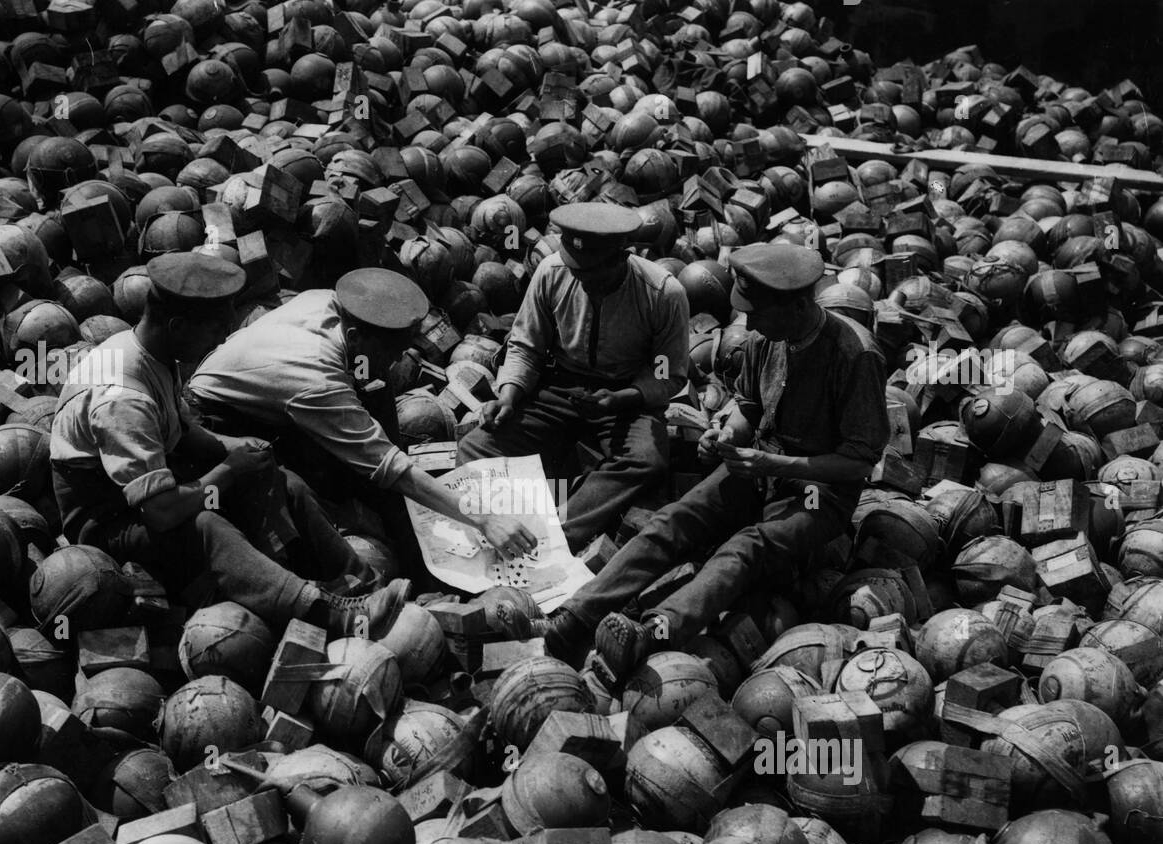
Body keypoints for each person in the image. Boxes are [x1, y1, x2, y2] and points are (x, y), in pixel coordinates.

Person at [522, 242, 891, 677]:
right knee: (673, 520)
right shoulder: (763, 340)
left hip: (818, 492)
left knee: (747, 547)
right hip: (757, 466)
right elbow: (749, 407)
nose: (747, 322)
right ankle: (574, 617)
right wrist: (724, 434)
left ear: (793, 305)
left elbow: (859, 463)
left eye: (756, 312)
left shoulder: (856, 355)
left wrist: (773, 466)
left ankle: (654, 632)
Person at [50, 252, 410, 635]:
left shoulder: (153, 351)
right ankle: (335, 616)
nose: (222, 339)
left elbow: (183, 432)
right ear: (177, 325)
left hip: (146, 491)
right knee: (207, 525)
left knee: (283, 479)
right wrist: (228, 470)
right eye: (213, 329)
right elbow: (161, 513)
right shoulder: (122, 397)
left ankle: (359, 582)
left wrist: (237, 448)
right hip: (110, 520)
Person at [184, 268, 537, 562]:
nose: (397, 362)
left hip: (263, 400)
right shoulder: (318, 381)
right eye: (393, 352)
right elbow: (388, 466)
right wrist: (484, 518)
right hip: (217, 422)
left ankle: (387, 505)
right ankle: (339, 574)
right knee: (297, 492)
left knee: (376, 386)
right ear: (353, 336)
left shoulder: (325, 300)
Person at [458, 202, 690, 553]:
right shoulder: (553, 272)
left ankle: (556, 534)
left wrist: (624, 397)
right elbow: (526, 345)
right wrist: (508, 395)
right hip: (560, 386)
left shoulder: (662, 293)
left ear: (621, 256)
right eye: (575, 269)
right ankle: (499, 525)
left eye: (592, 272)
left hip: (626, 396)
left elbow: (668, 373)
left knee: (647, 460)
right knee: (475, 446)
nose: (582, 279)